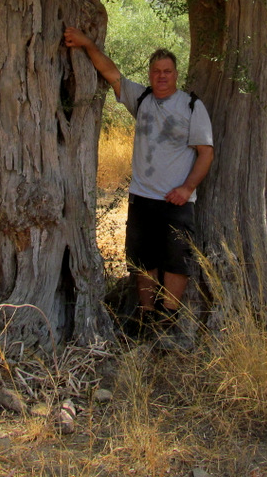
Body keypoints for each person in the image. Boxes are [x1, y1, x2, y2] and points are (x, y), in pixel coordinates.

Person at [64, 26, 214, 336]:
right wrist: (87, 44)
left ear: (175, 74)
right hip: (142, 198)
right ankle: (146, 318)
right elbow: (110, 72)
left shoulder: (191, 106)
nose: (162, 76)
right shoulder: (142, 98)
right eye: (156, 71)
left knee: (176, 262)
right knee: (143, 262)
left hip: (177, 201)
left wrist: (187, 189)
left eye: (167, 71)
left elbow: (206, 153)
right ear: (150, 74)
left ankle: (168, 320)